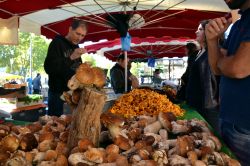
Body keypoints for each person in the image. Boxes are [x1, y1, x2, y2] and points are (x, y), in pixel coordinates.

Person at [205, 0, 250, 164]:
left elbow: (238, 68)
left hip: (245, 128)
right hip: (230, 121)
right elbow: (217, 69)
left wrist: (224, 61)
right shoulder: (240, 23)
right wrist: (212, 40)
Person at [44, 19, 87, 116]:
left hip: (72, 93)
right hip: (57, 94)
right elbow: (49, 68)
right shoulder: (57, 43)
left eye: (82, 35)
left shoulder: (76, 46)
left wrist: (84, 69)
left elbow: (75, 69)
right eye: (77, 33)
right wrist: (71, 57)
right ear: (70, 29)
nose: (79, 38)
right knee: (55, 126)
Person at [186, 20, 220, 132]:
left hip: (208, 103)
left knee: (212, 133)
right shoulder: (199, 53)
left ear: (208, 32)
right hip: (197, 101)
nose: (196, 32)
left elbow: (213, 79)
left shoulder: (213, 52)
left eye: (200, 29)